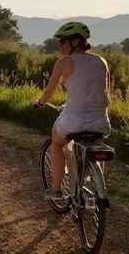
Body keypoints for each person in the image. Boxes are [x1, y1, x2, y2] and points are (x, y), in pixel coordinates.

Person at [34, 22, 111, 202]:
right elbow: (105, 92)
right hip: (101, 120)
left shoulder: (64, 62)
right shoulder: (102, 61)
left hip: (74, 120)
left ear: (75, 41)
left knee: (56, 144)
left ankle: (56, 189)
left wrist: (40, 103)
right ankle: (96, 184)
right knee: (96, 145)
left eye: (63, 42)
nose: (59, 46)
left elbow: (49, 92)